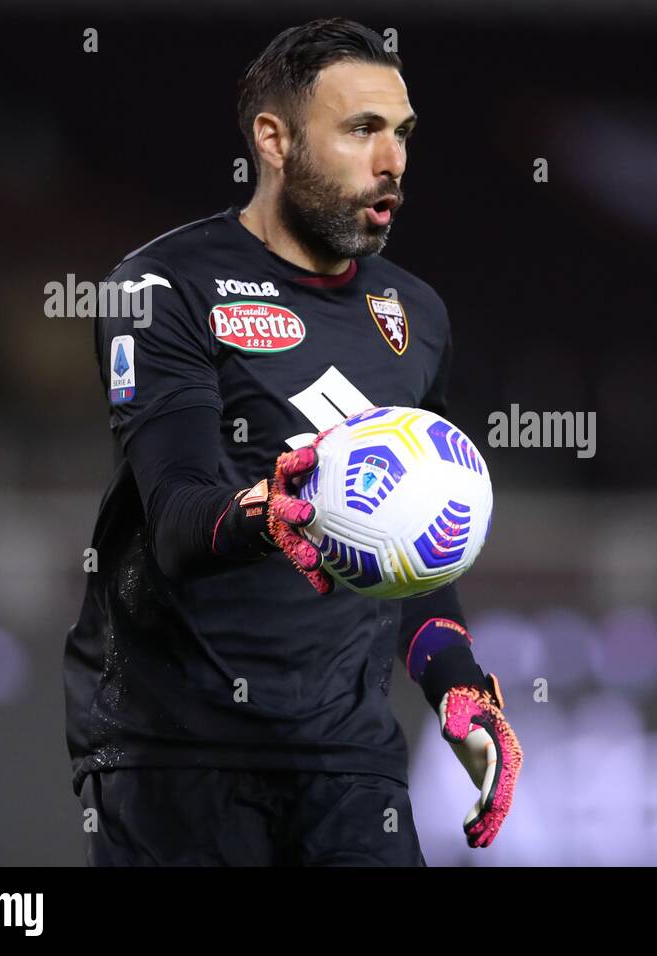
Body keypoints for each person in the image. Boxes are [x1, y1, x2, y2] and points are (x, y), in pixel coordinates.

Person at [63, 17, 521, 866]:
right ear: (272, 140)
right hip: (176, 753)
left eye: (401, 132)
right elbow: (176, 521)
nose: (394, 162)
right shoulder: (162, 288)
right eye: (361, 130)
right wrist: (269, 515)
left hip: (350, 762)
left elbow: (411, 558)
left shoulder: (417, 317)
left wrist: (456, 685)